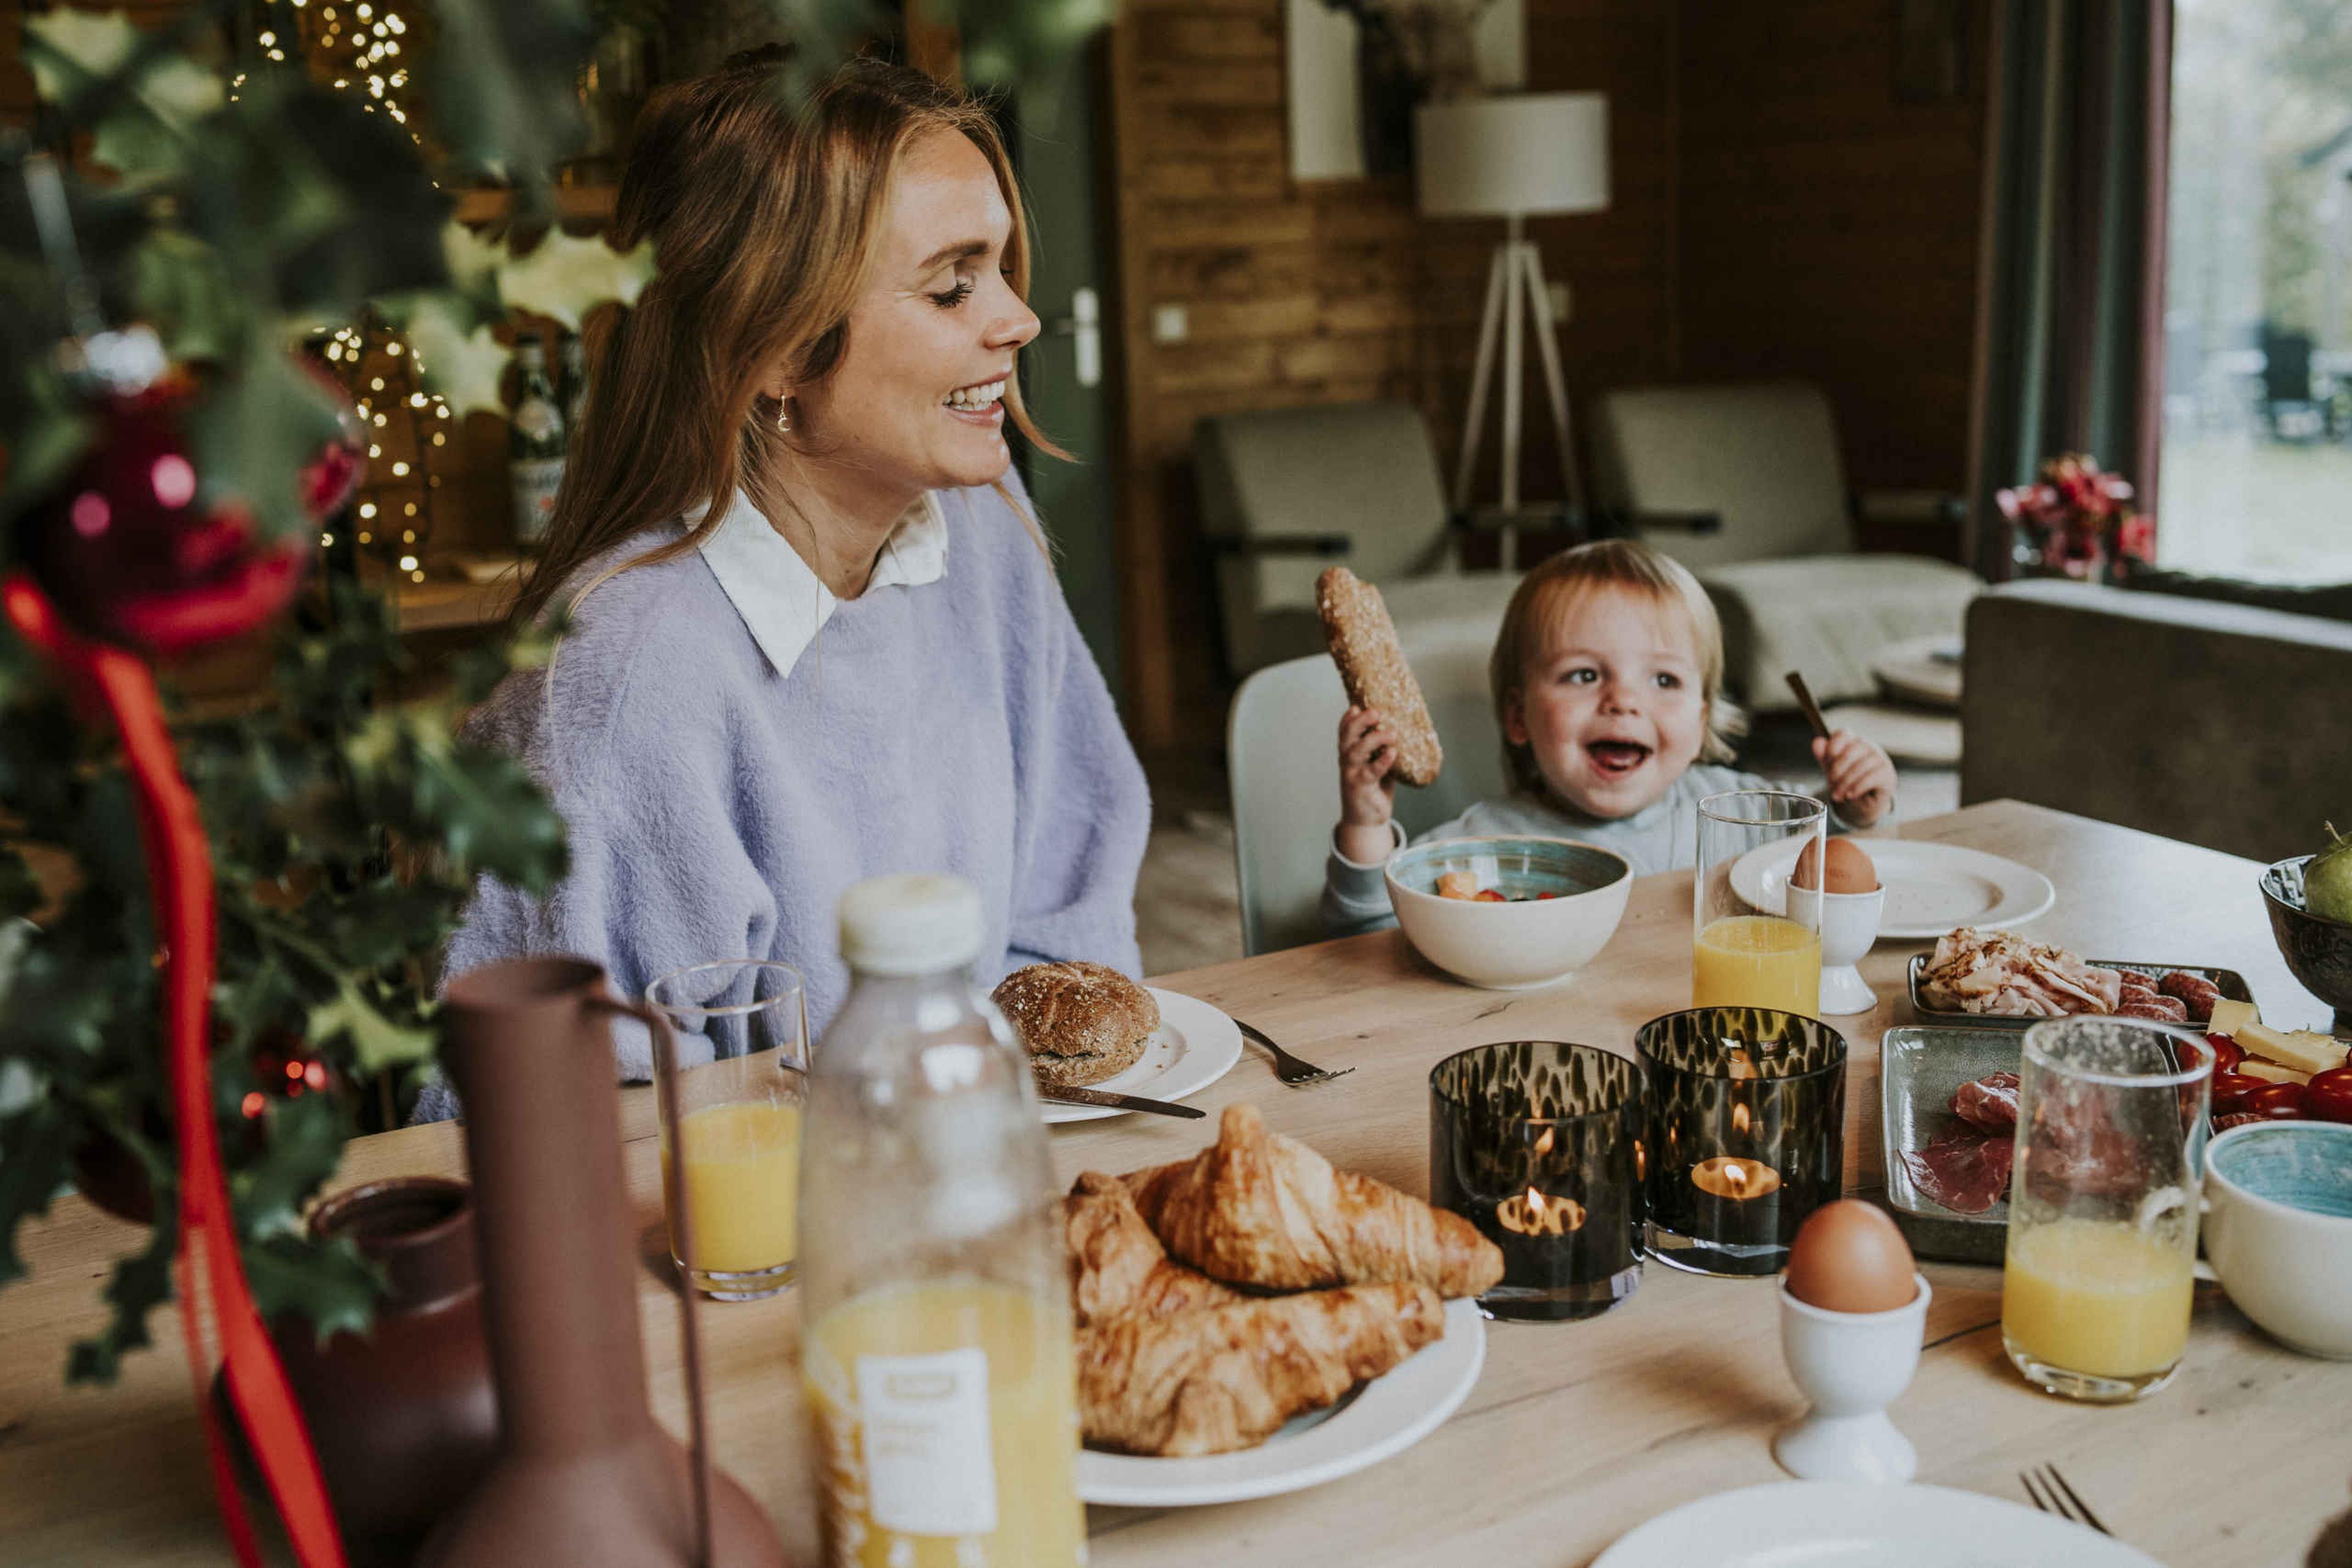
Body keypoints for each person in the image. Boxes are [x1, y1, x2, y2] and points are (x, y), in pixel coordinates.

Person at [427, 55, 1149, 1104]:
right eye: (953, 284)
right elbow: (583, 1131)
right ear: (772, 350)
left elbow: (1069, 913)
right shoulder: (629, 669)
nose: (1018, 320)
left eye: (998, 268)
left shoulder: (986, 533)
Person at [1322, 540, 1896, 936]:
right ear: (1518, 716)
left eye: (1664, 679)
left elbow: (1829, 881)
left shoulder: (1743, 816)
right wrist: (1367, 825)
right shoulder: (1483, 849)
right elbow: (1372, 939)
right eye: (1584, 675)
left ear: (1700, 720)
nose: (1623, 700)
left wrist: (1856, 811)